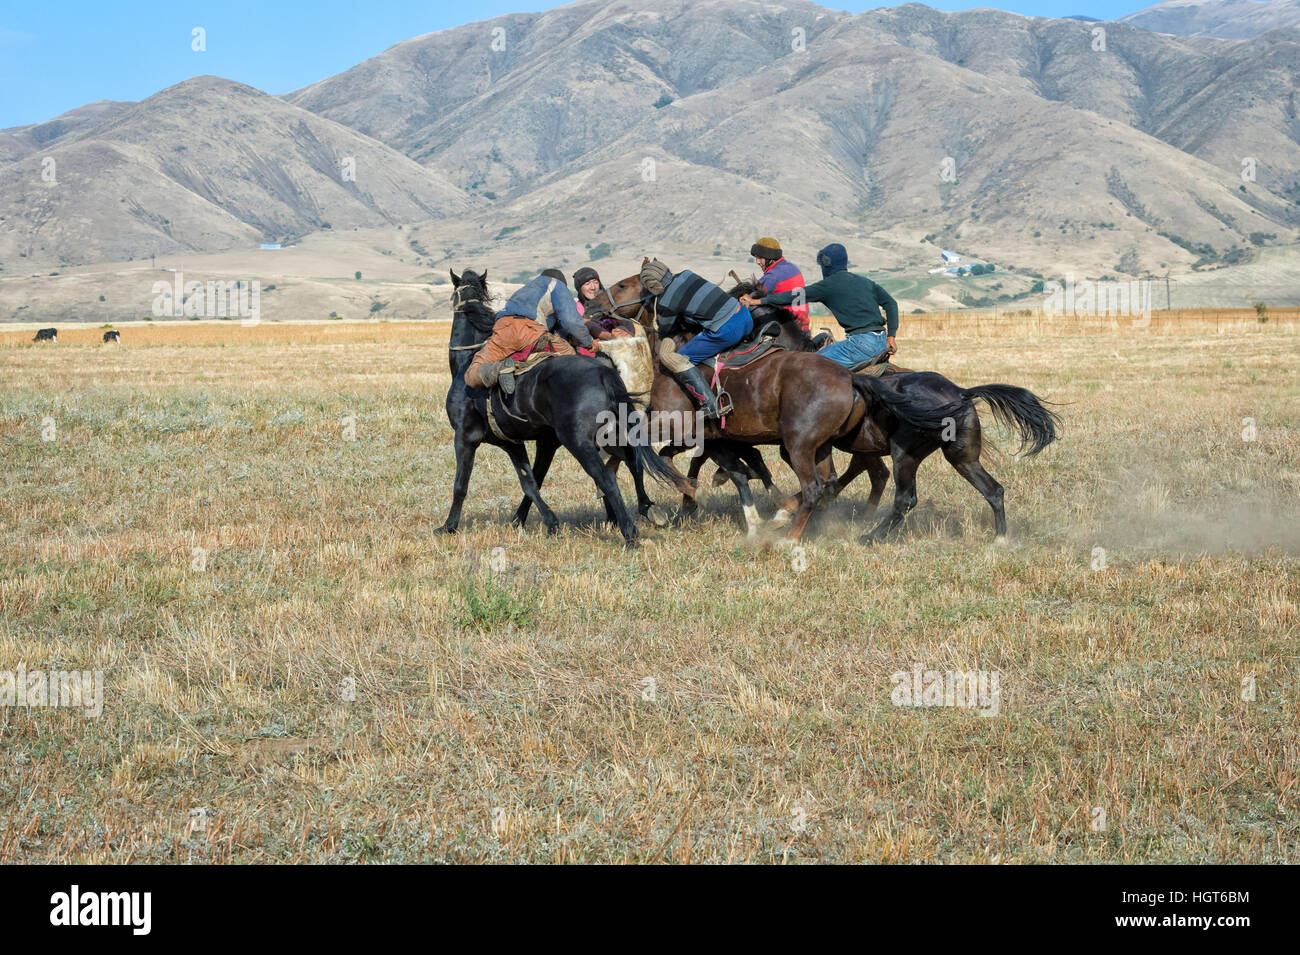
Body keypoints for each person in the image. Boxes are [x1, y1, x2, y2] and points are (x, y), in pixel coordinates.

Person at [741, 243, 897, 369]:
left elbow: (792, 296)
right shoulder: (865, 281)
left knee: (807, 365)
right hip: (882, 341)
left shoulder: (828, 285)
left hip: (860, 345)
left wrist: (758, 301)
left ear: (826, 264)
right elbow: (891, 303)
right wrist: (891, 336)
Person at [640, 258, 753, 420]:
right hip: (745, 316)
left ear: (652, 286)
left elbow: (667, 329)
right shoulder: (687, 274)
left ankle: (709, 404)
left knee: (677, 358)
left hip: (727, 331)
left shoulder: (666, 302)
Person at [466, 268, 596, 394]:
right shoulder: (556, 285)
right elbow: (571, 322)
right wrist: (588, 342)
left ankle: (498, 369)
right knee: (572, 360)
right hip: (530, 331)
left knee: (472, 372)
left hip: (502, 330)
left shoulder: (524, 290)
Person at [750, 236, 809, 331]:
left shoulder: (773, 275)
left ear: (770, 257)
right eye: (756, 258)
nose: (757, 262)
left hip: (788, 331)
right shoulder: (794, 268)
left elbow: (752, 296)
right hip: (804, 328)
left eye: (760, 258)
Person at [573, 266, 635, 341]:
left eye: (596, 282)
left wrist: (626, 332)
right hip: (591, 351)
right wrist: (610, 336)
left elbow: (626, 321)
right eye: (587, 283)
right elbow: (587, 327)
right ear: (580, 289)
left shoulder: (610, 306)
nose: (593, 287)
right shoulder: (576, 309)